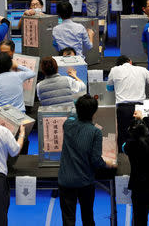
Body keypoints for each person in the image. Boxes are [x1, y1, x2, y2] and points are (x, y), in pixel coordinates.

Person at [58, 94, 116, 226]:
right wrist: (108, 164)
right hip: (84, 181)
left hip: (65, 180)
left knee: (68, 219)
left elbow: (74, 116)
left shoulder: (67, 124)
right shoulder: (95, 132)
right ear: (94, 112)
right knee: (88, 217)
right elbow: (96, 161)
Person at [106, 55, 149, 151]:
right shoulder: (142, 70)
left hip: (123, 108)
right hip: (139, 109)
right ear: (130, 61)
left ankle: (123, 160)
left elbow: (109, 88)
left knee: (123, 136)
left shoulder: (114, 70)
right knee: (140, 136)